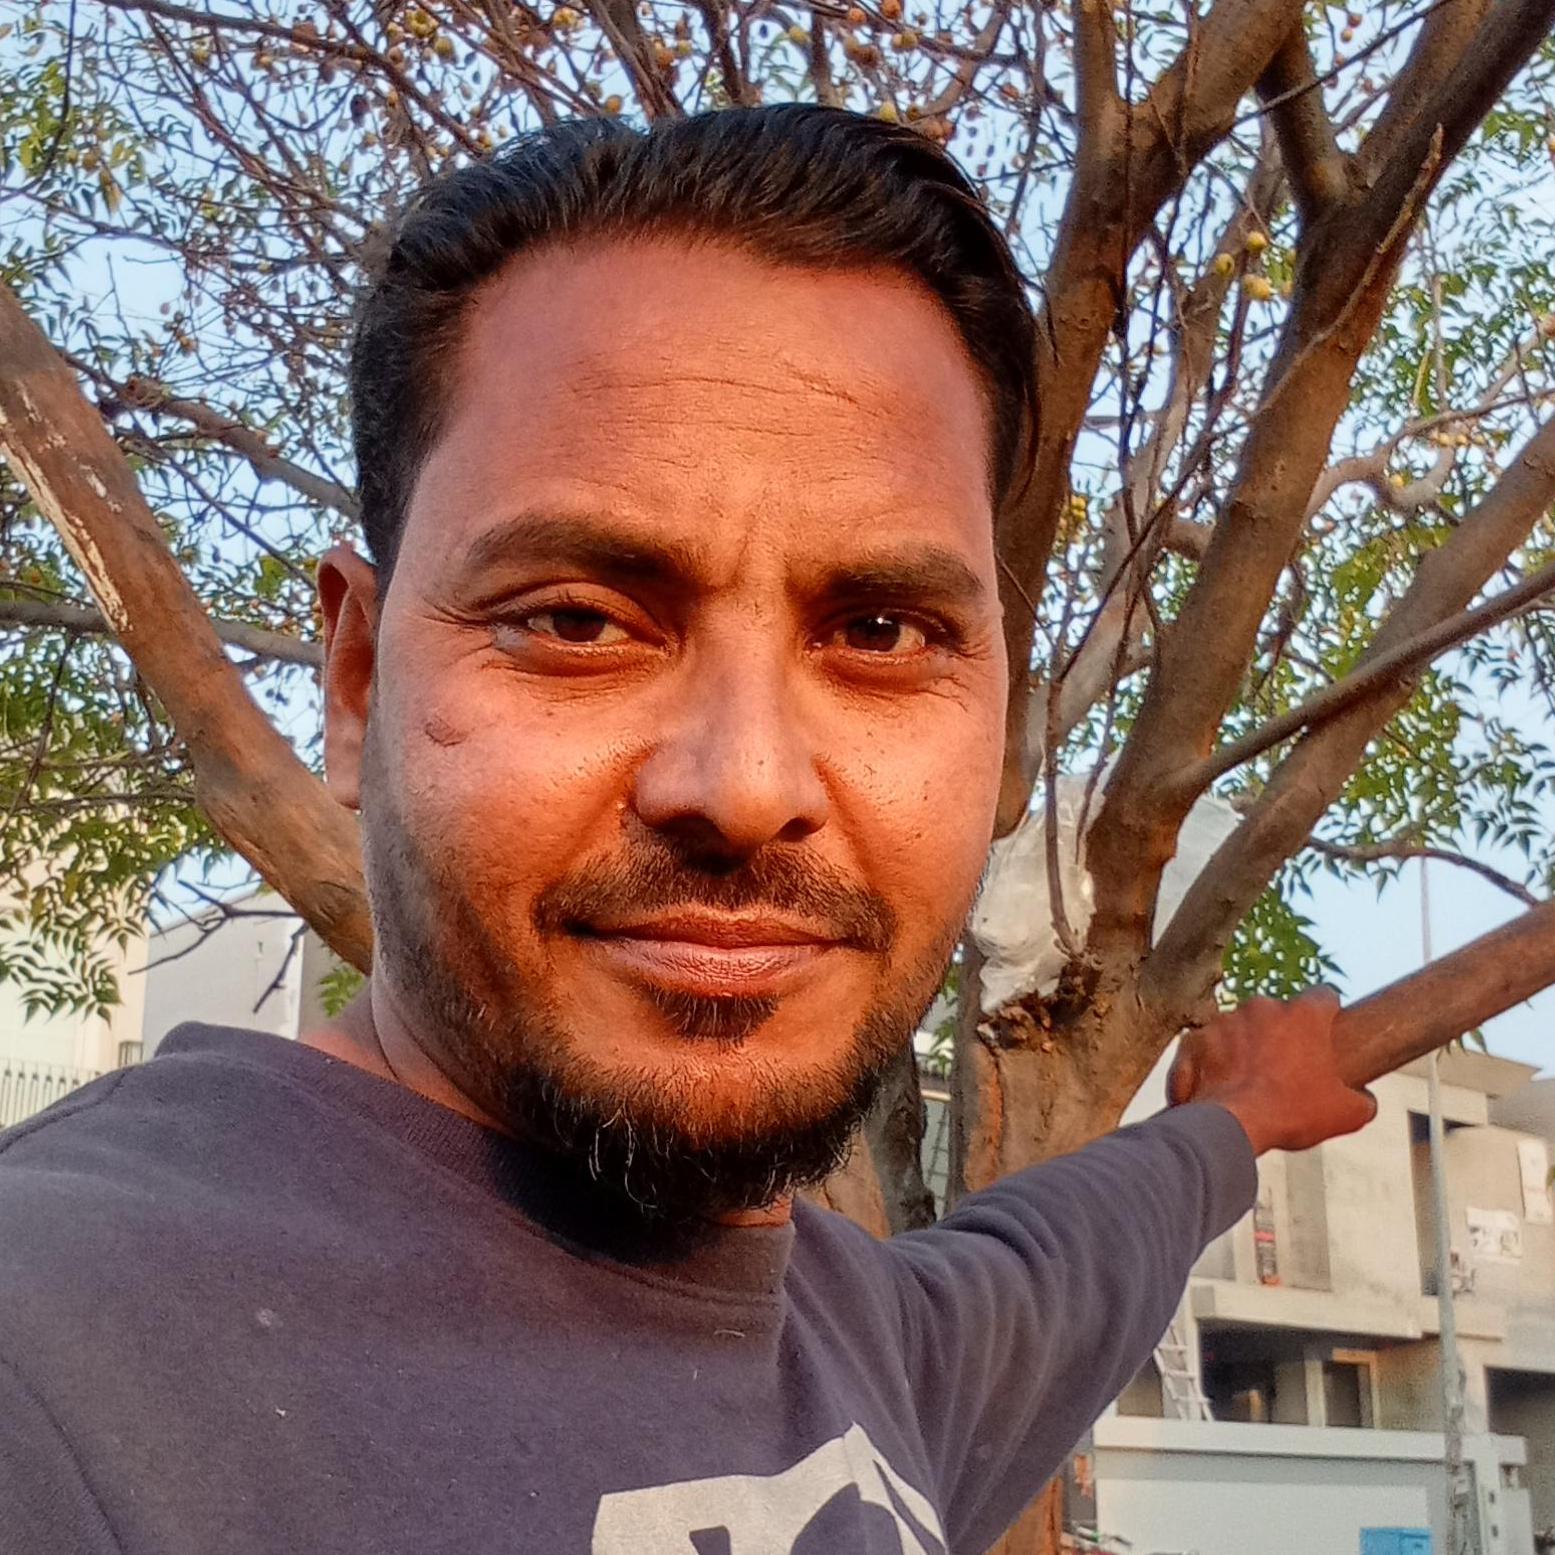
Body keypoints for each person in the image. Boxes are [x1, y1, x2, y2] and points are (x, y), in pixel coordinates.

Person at [0, 106, 1375, 1555]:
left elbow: (1075, 1249)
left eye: (883, 631)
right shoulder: (64, 1355)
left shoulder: (882, 1358)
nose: (744, 784)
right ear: (356, 683)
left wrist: (1238, 1117)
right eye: (577, 620)